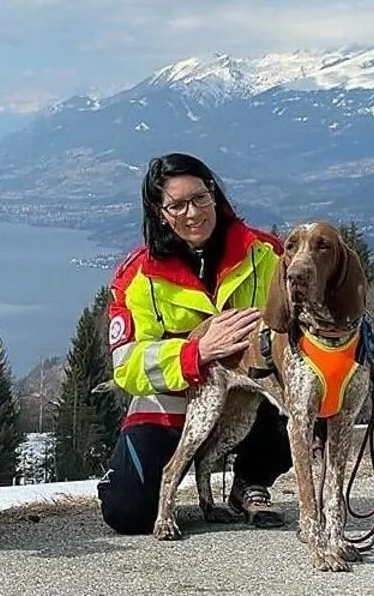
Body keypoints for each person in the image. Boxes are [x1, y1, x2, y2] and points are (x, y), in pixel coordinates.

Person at [97, 152, 293, 535]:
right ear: (159, 213)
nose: (193, 213)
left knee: (301, 400)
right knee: (127, 512)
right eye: (177, 205)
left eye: (200, 198)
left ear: (214, 193)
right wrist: (196, 353)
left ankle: (250, 482)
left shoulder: (266, 254)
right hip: (170, 403)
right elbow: (127, 365)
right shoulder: (139, 275)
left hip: (252, 391)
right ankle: (133, 482)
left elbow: (297, 323)